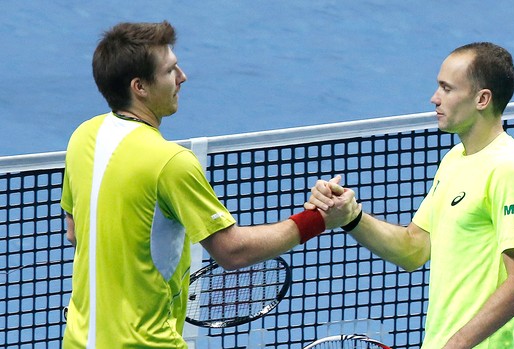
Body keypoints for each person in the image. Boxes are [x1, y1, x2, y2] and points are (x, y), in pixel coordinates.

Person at [61, 21, 326, 348]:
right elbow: (233, 252)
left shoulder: (83, 137)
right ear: (139, 87)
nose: (182, 77)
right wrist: (318, 219)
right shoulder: (170, 162)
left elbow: (76, 233)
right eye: (170, 71)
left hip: (79, 339)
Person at [306, 42, 514, 348]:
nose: (434, 99)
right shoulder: (455, 160)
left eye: (447, 88)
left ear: (482, 99)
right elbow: (413, 248)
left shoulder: (509, 170)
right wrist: (351, 216)